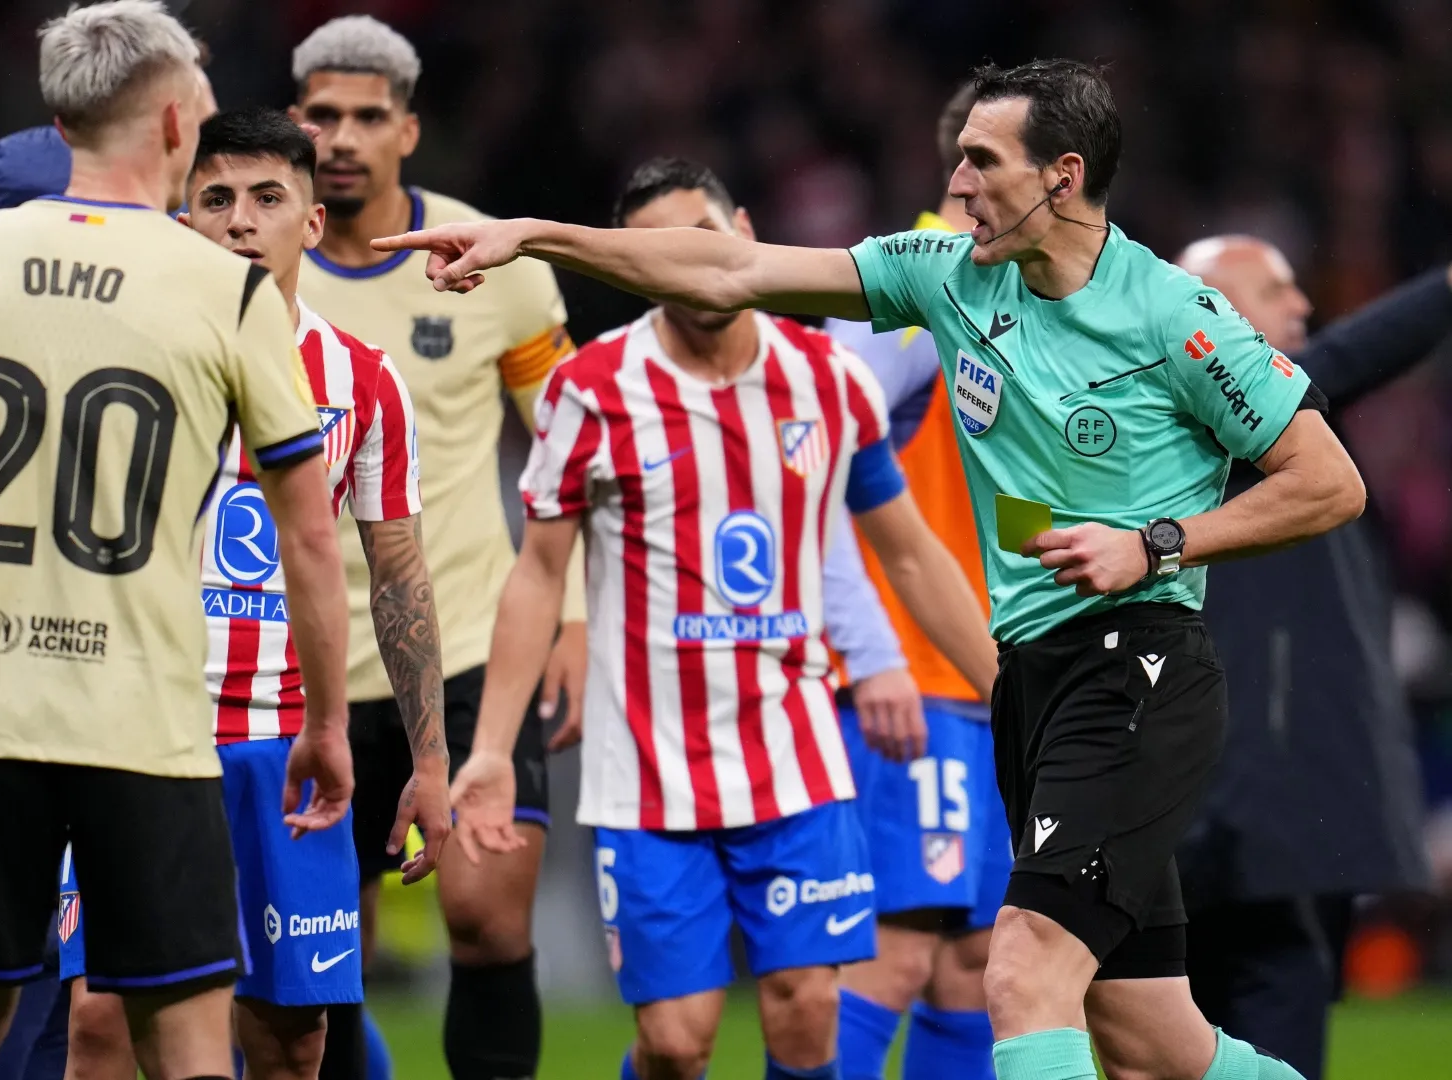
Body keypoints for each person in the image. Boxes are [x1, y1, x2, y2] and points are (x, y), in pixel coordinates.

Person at [381, 58, 1368, 1080]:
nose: (961, 186)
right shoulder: (949, 276)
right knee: (1148, 1032)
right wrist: (528, 235)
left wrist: (1156, 542)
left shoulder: (1173, 314)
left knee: (1018, 973)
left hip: (1138, 669)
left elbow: (1330, 482)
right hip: (1028, 677)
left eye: (984, 163)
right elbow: (731, 270)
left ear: (1063, 176)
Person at [0, 4, 352, 1079]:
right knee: (187, 1042)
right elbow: (307, 532)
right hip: (146, 722)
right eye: (201, 107)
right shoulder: (229, 290)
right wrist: (331, 721)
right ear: (168, 120)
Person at [445, 157, 996, 1080]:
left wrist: (1008, 691)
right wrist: (494, 751)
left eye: (700, 239)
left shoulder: (828, 377)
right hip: (648, 779)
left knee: (808, 1011)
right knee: (676, 1039)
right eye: (658, 251)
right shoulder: (593, 390)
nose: (688, 265)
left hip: (797, 762)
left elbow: (906, 551)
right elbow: (540, 574)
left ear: (742, 232)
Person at [50, 105, 450, 1080]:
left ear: (312, 221)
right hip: (141, 734)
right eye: (216, 197)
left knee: (290, 1039)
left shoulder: (364, 381)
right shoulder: (122, 357)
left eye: (268, 197)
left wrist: (430, 759)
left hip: (290, 753)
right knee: (101, 1016)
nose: (240, 219)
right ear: (184, 216)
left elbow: (398, 574)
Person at [289, 17, 581, 1079]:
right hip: (305, 662)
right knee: (326, 964)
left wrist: (576, 616)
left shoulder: (492, 256)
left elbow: (566, 447)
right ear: (294, 122)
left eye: (369, 116)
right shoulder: (248, 267)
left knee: (487, 916)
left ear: (408, 129)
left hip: (462, 649)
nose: (344, 137)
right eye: (323, 114)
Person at [1171, 236, 1449, 1077]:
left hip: (1252, 791)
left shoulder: (1280, 427)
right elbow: (1351, 352)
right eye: (1276, 287)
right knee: (1268, 993)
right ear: (1213, 312)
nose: (1301, 305)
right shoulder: (1204, 408)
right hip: (1254, 799)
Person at [823, 83, 1011, 1080]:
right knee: (893, 949)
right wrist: (869, 651)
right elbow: (824, 441)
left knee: (969, 962)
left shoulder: (1013, 294)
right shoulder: (914, 287)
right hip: (916, 680)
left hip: (984, 670)